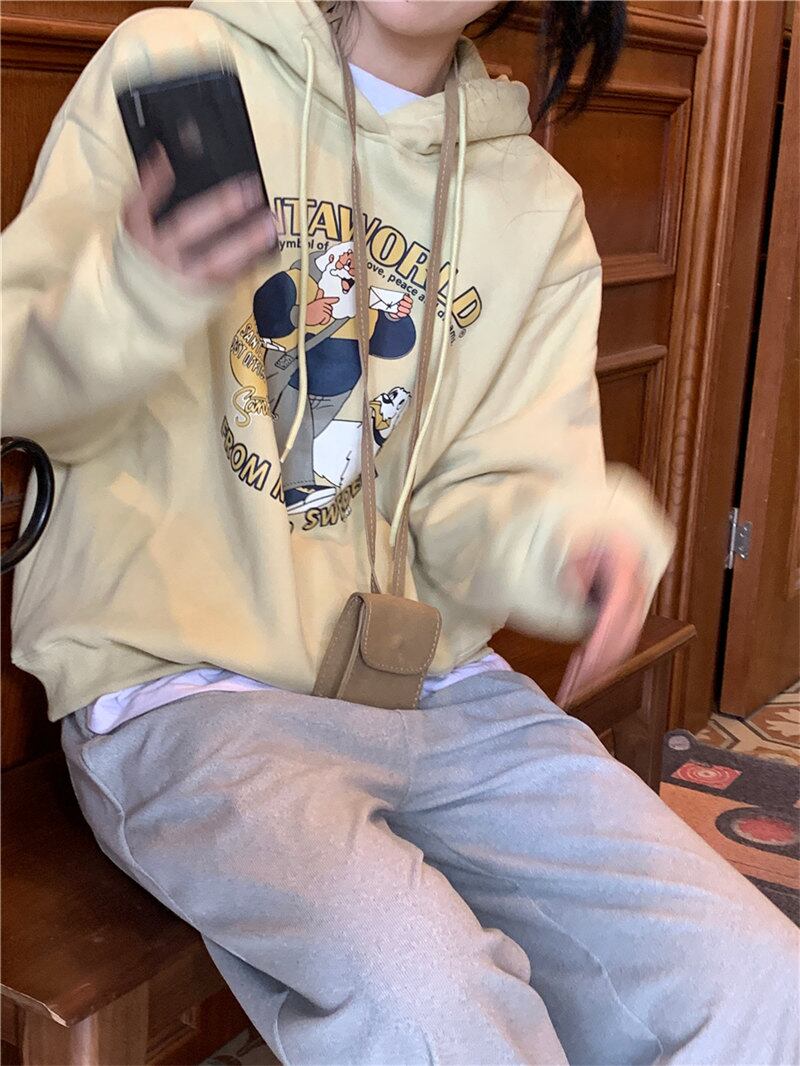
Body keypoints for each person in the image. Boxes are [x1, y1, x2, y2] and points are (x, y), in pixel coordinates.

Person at [2, 2, 797, 1063]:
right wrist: (135, 291)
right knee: (431, 999)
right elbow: (15, 387)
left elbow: (491, 494)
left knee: (756, 979)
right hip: (183, 689)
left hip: (435, 688)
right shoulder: (181, 60)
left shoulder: (532, 203)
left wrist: (563, 542)